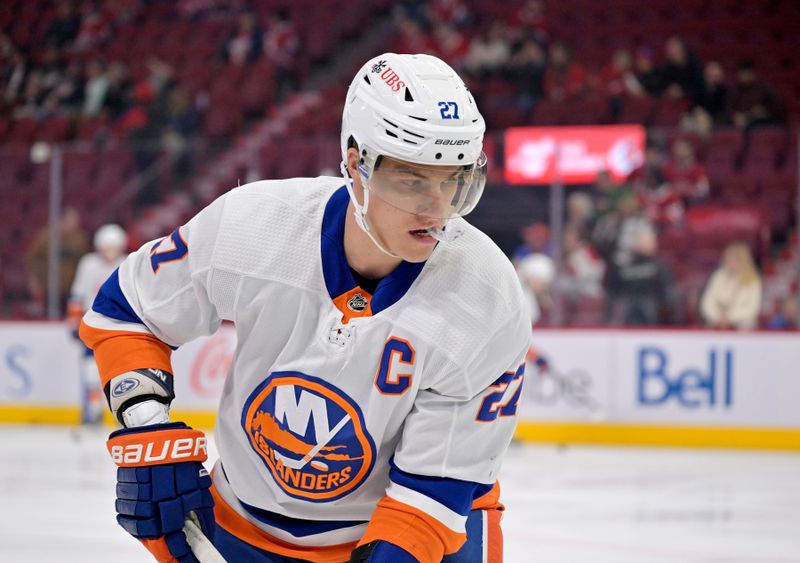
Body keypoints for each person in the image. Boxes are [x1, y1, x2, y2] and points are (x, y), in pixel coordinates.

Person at [80, 53, 530, 563]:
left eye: (454, 180)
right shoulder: (254, 226)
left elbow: (431, 499)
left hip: (420, 527)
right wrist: (145, 423)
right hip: (237, 520)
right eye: (412, 180)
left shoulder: (486, 297)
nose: (438, 208)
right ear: (357, 163)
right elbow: (128, 309)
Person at [68, 224, 128, 423]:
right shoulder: (89, 264)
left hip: (119, 325)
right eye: (106, 248)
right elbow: (78, 295)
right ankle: (93, 413)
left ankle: (123, 412)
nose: (109, 253)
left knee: (121, 371)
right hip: (92, 324)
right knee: (91, 371)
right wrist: (73, 323)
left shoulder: (126, 263)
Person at [26, 206, 88, 315]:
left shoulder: (79, 238)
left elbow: (85, 262)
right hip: (49, 287)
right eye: (72, 220)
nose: (76, 223)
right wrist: (34, 279)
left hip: (71, 287)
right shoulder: (45, 236)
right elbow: (32, 258)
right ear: (62, 220)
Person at [700, 242, 762, 330]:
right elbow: (707, 302)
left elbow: (752, 308)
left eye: (734, 260)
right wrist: (717, 317)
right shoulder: (718, 276)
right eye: (728, 259)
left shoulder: (752, 279)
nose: (730, 263)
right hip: (716, 326)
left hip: (744, 329)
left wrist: (730, 317)